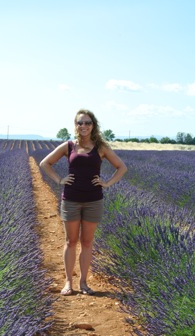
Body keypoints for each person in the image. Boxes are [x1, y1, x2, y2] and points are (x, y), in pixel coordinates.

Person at [40, 109, 127, 296]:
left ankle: (84, 283)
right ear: (76, 125)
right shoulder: (68, 146)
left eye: (87, 122)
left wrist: (106, 183)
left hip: (93, 200)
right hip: (71, 199)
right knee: (70, 242)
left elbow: (122, 167)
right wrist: (59, 180)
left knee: (87, 243)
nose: (84, 126)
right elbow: (45, 163)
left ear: (93, 125)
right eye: (80, 123)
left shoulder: (101, 148)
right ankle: (68, 283)